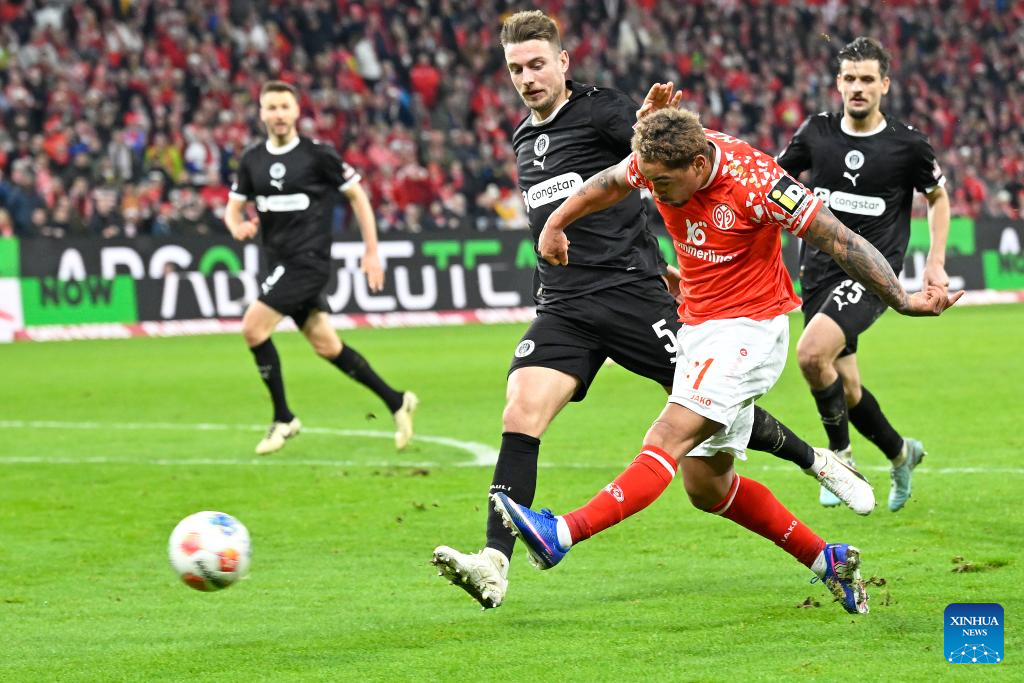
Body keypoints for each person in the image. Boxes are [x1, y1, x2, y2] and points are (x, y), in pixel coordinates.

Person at [430, 11, 869, 612]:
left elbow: (664, 159)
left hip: (633, 297)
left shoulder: (603, 110)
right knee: (521, 411)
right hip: (564, 304)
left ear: (562, 62)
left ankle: (815, 459)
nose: (527, 78)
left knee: (705, 434)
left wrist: (644, 124)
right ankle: (494, 561)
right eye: (515, 69)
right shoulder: (523, 138)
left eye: (537, 64)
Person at [492, 95, 961, 614]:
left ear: (698, 165)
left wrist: (902, 300)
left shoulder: (759, 183)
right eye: (651, 181)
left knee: (666, 436)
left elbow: (842, 241)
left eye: (663, 184)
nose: (656, 192)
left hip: (750, 330)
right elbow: (609, 182)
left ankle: (561, 534)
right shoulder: (657, 162)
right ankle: (827, 558)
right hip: (698, 326)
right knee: (707, 488)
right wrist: (555, 224)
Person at [771, 37, 950, 512]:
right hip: (817, 271)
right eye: (849, 78)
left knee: (811, 354)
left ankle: (840, 460)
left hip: (873, 271)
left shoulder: (908, 144)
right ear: (838, 83)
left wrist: (935, 261)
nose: (857, 87)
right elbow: (773, 182)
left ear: (884, 84)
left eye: (867, 79)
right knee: (844, 386)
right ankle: (901, 453)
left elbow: (938, 197)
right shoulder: (816, 132)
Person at [224, 80, 417, 455]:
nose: (279, 114)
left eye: (285, 107)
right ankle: (397, 400)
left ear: (297, 111)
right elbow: (233, 207)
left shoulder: (317, 155)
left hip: (308, 262)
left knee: (253, 328)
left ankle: (283, 418)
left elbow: (358, 197)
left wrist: (372, 251)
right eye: (271, 107)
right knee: (327, 346)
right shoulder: (252, 160)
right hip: (278, 262)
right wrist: (237, 226)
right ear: (261, 113)